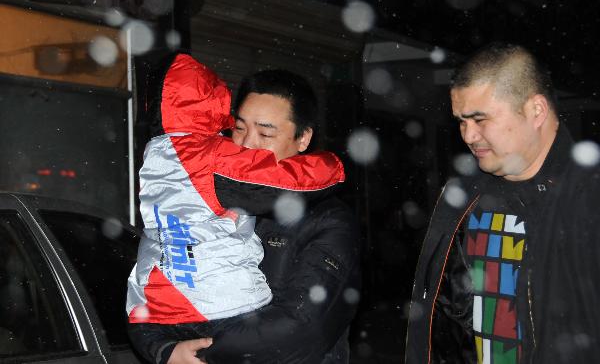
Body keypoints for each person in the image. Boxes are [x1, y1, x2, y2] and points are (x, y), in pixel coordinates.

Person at [129, 56, 361, 363]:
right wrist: (165, 351)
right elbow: (152, 288)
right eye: (239, 128)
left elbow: (302, 329)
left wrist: (203, 350)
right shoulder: (202, 196)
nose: (248, 145)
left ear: (303, 138)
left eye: (265, 134)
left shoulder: (329, 220)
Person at [405, 42, 600, 364]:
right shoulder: (462, 197)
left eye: (480, 119)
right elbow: (441, 315)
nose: (468, 135)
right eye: (461, 121)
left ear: (536, 111)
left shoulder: (587, 198)